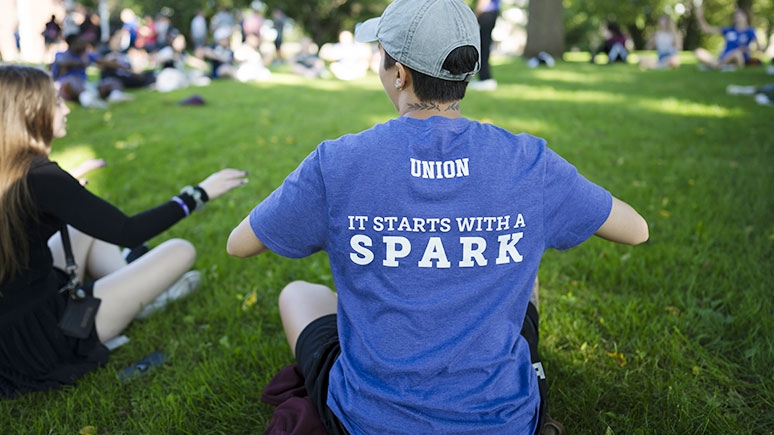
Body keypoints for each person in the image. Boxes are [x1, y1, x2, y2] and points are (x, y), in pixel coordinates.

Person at [226, 0, 649, 434]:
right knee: (526, 262)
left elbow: (239, 244)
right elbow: (636, 230)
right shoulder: (528, 162)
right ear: (466, 71)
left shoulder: (338, 162)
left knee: (297, 293)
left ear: (400, 73)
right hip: (502, 418)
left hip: (369, 419)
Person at [0, 64, 248, 399]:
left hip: (13, 318)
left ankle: (135, 292)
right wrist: (197, 195)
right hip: (42, 337)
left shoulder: (14, 171)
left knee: (84, 230)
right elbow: (128, 231)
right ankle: (140, 298)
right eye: (57, 101)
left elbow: (22, 214)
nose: (67, 107)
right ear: (31, 112)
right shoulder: (41, 177)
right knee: (181, 250)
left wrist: (65, 187)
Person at [51, 34, 132, 108]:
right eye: (80, 42)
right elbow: (62, 62)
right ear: (71, 44)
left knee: (112, 81)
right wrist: (81, 61)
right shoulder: (61, 55)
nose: (83, 44)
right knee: (73, 79)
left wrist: (125, 68)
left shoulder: (86, 55)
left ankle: (115, 95)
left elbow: (104, 62)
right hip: (65, 88)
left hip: (84, 85)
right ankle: (87, 100)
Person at [694, 5, 761, 71]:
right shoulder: (729, 30)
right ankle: (720, 66)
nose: (738, 18)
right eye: (736, 16)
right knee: (699, 52)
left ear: (746, 17)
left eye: (741, 16)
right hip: (723, 58)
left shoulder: (750, 31)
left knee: (737, 53)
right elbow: (706, 29)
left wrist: (746, 50)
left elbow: (758, 48)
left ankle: (715, 66)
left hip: (739, 60)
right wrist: (699, 16)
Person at [468, 0, 500, 91]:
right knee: (484, 46)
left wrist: (475, 15)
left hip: (486, 14)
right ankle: (483, 78)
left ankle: (485, 78)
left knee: (483, 47)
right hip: (491, 13)